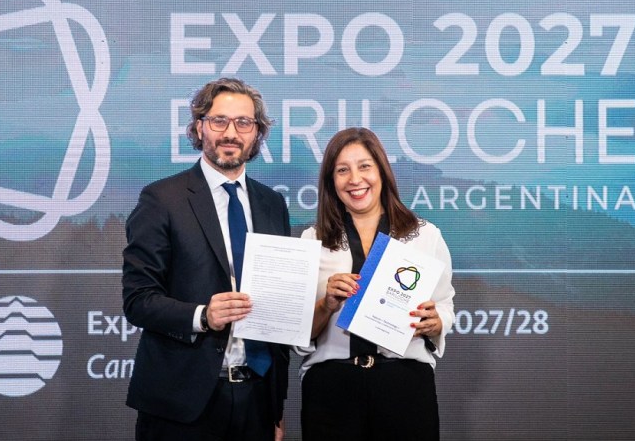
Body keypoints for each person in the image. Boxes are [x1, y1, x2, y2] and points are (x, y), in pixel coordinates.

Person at [122, 78, 291, 441]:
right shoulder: (162, 200)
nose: (231, 133)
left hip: (257, 401)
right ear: (200, 128)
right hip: (181, 404)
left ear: (257, 133)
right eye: (219, 121)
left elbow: (279, 308)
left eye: (243, 123)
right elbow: (138, 300)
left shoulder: (272, 204)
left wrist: (276, 406)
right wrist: (202, 316)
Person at [297, 127, 455, 441]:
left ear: (382, 171)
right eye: (342, 170)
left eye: (365, 166)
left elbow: (445, 305)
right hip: (332, 389)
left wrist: (436, 322)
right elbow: (300, 333)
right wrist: (326, 303)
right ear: (331, 181)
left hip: (404, 386)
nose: (355, 179)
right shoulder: (313, 239)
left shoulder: (425, 235)